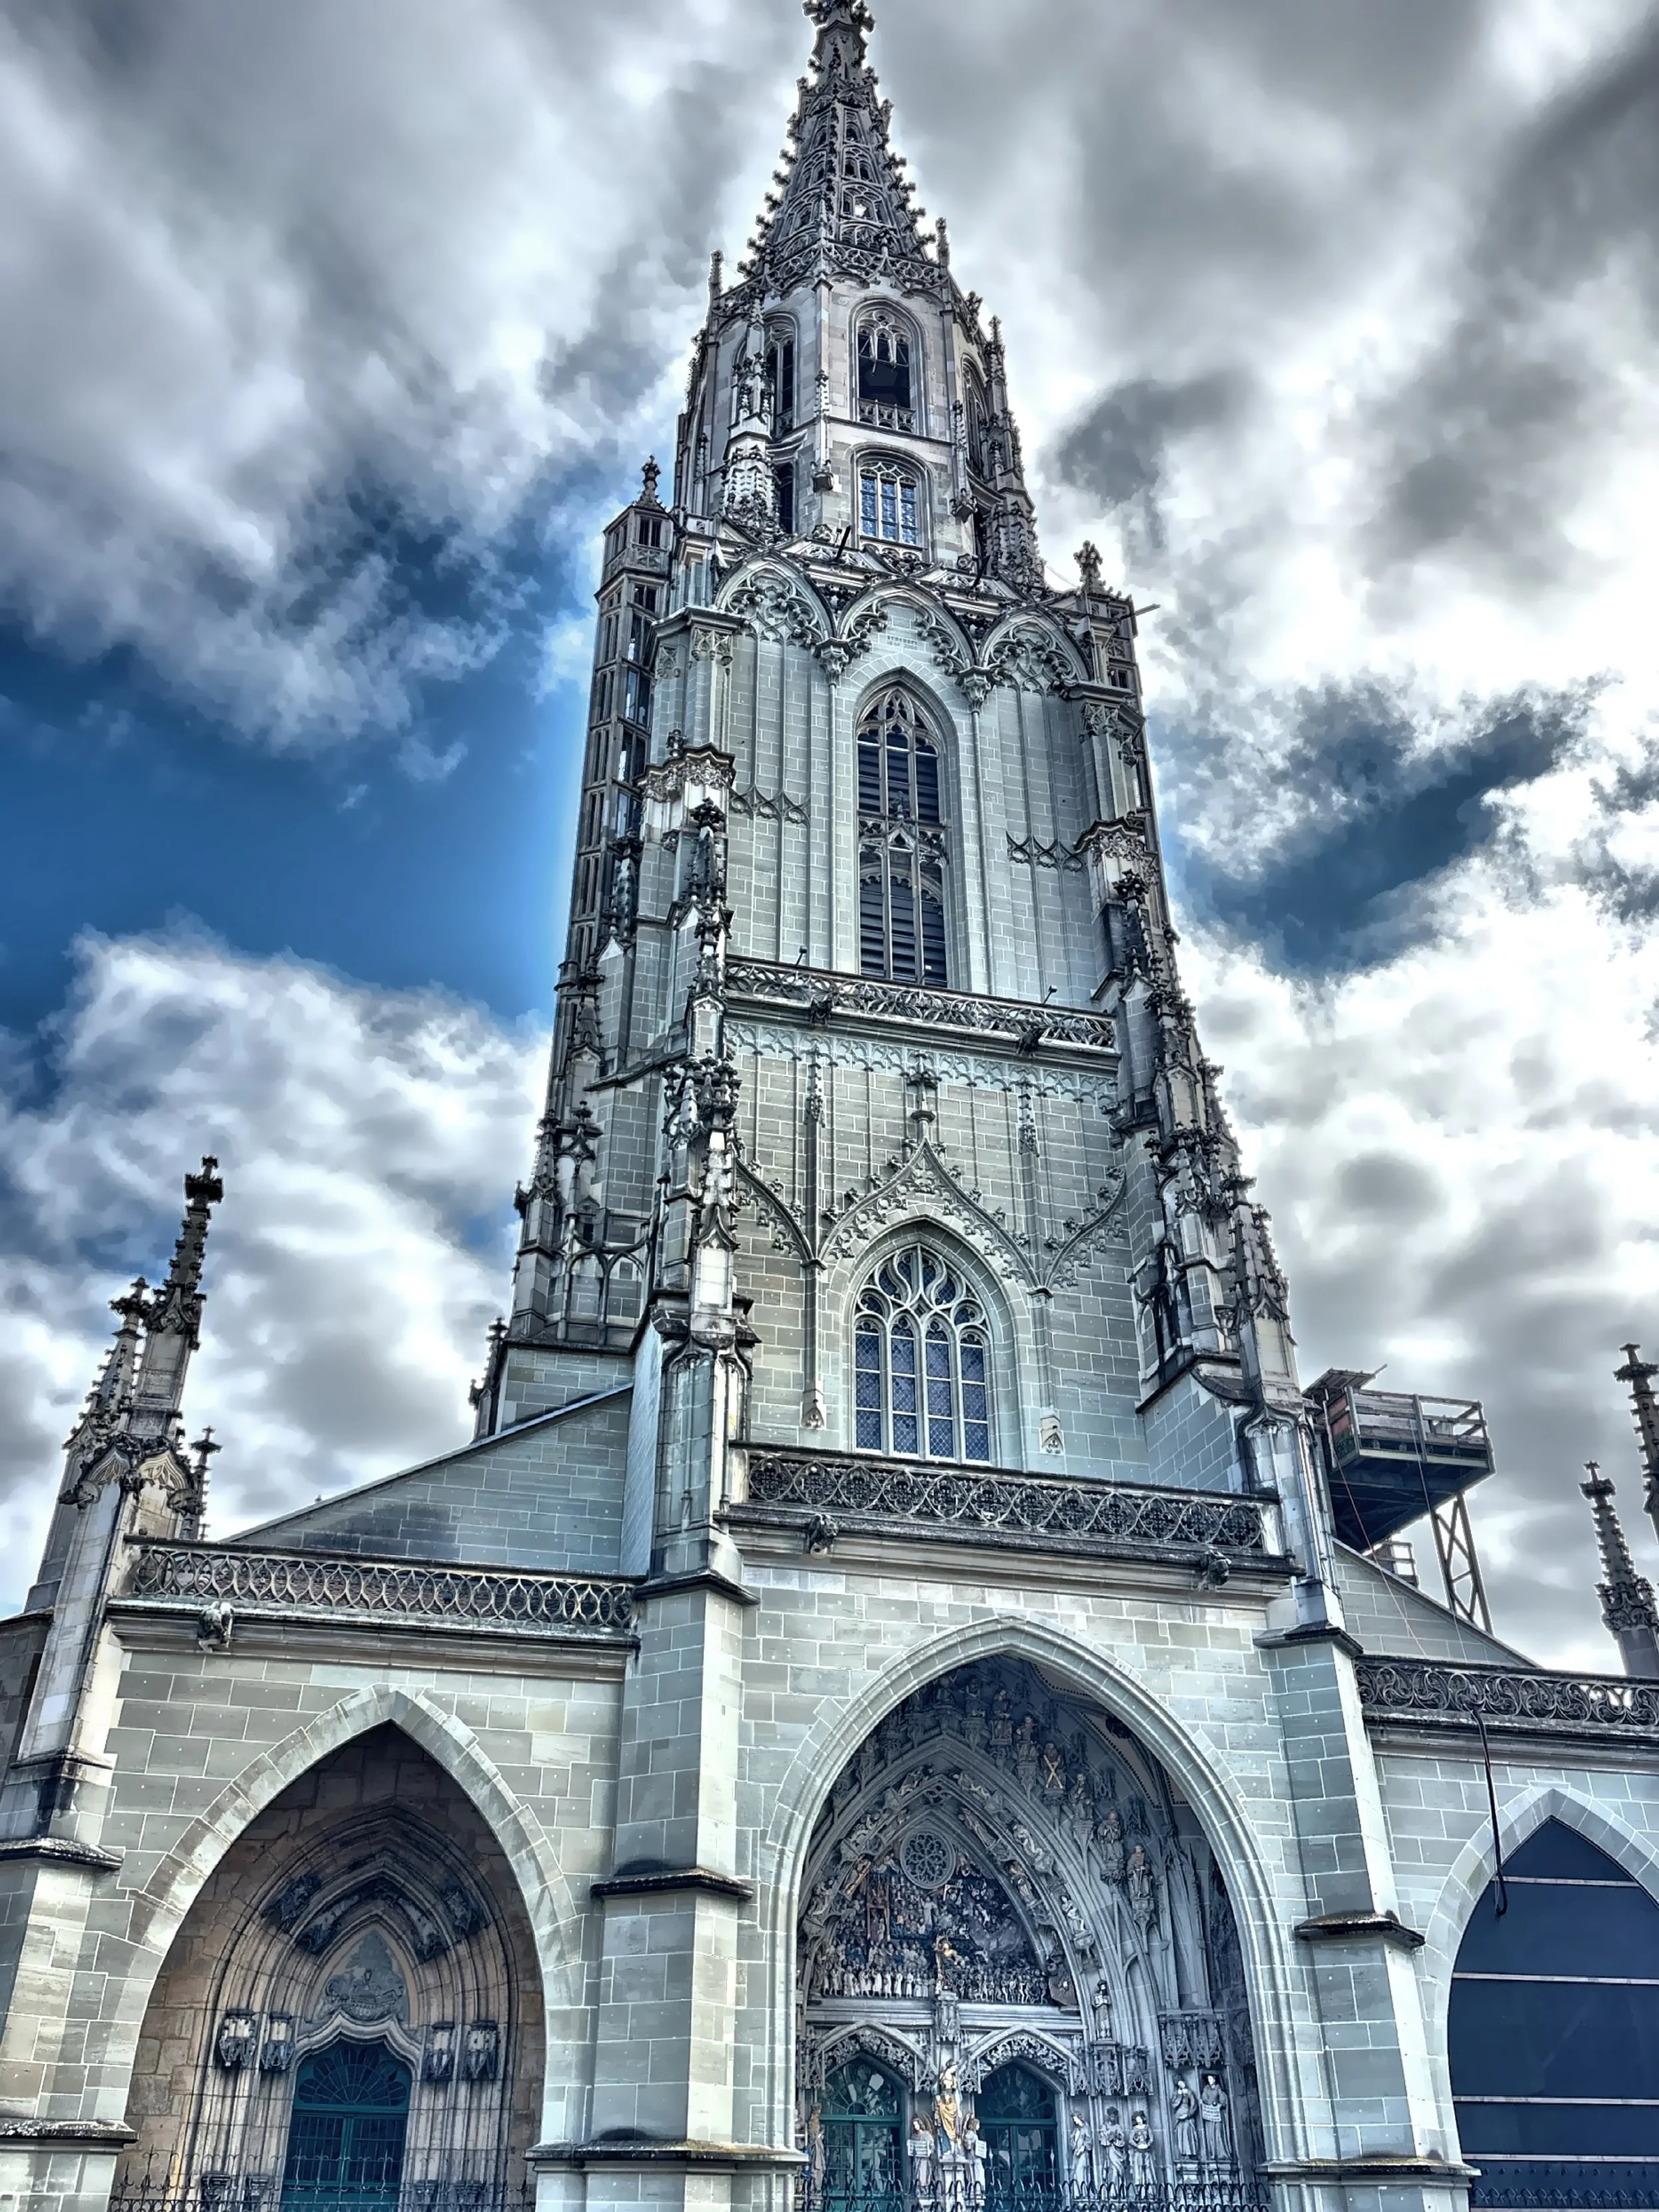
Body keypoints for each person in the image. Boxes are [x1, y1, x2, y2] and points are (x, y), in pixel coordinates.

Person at [1199, 2074, 1233, 2168]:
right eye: (1208, 2079)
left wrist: (1220, 2104)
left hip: (1217, 2115)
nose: (1210, 2081)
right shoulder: (1206, 2089)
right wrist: (1205, 2103)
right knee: (1210, 2135)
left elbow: (1223, 2099)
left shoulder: (1219, 2089)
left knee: (1219, 2133)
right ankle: (1213, 2154)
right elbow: (1204, 2099)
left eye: (1211, 2079)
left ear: (1215, 2079)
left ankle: (1222, 2153)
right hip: (1209, 2115)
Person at [1170, 2077, 1199, 2166]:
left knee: (1189, 2133)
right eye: (1179, 2084)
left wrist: (1188, 2115)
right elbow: (1174, 2105)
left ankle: (1191, 2153)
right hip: (1179, 2117)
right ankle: (1183, 2153)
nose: (1181, 2085)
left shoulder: (1189, 2092)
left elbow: (1194, 2104)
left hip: (1187, 2115)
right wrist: (1179, 2096)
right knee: (1180, 2135)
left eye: (1181, 2082)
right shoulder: (1176, 2093)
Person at [1097, 2111, 1127, 2192]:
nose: (1113, 2118)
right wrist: (1108, 2135)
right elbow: (1102, 2137)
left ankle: (1118, 2191)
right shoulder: (1105, 2126)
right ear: (1109, 2116)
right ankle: (1112, 2191)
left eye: (1115, 2117)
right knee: (1111, 2170)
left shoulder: (1118, 2126)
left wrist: (1117, 2138)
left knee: (1117, 2170)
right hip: (1109, 2150)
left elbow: (1122, 2137)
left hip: (1116, 2149)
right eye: (1112, 2116)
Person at [1127, 2113, 1156, 2193]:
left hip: (1146, 2151)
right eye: (1137, 2120)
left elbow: (1151, 2138)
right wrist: (1137, 2145)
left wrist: (1148, 2145)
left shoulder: (1147, 2128)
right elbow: (1130, 2140)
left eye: (1140, 2119)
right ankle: (1141, 2191)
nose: (1139, 2121)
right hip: (1138, 2152)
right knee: (1139, 2170)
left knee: (1149, 2169)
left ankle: (1151, 2191)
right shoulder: (1134, 2129)